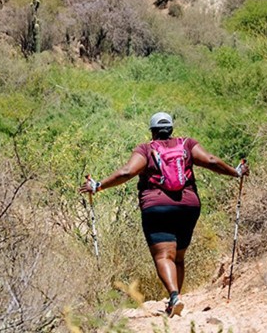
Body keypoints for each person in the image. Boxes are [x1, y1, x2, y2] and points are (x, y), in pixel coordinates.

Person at [79, 112, 248, 317]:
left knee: (163, 255)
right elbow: (211, 160)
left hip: (157, 207)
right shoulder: (187, 144)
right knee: (178, 257)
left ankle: (174, 296)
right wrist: (236, 172)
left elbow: (127, 172)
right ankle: (174, 300)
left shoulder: (146, 149)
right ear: (171, 129)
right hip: (188, 206)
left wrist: (98, 186)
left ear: (152, 132)